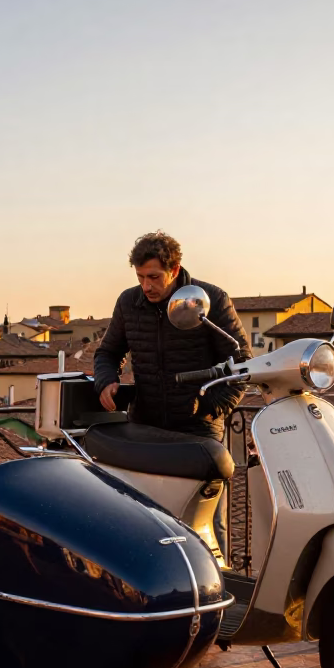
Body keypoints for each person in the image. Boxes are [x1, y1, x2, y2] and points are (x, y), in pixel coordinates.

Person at [93, 230, 251, 558]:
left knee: (205, 523)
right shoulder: (128, 302)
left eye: (153, 277)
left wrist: (211, 407)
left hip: (199, 431)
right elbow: (107, 352)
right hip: (146, 428)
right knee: (148, 519)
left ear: (175, 270)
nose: (146, 286)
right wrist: (106, 380)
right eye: (140, 277)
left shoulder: (212, 300)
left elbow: (243, 361)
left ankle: (219, 592)